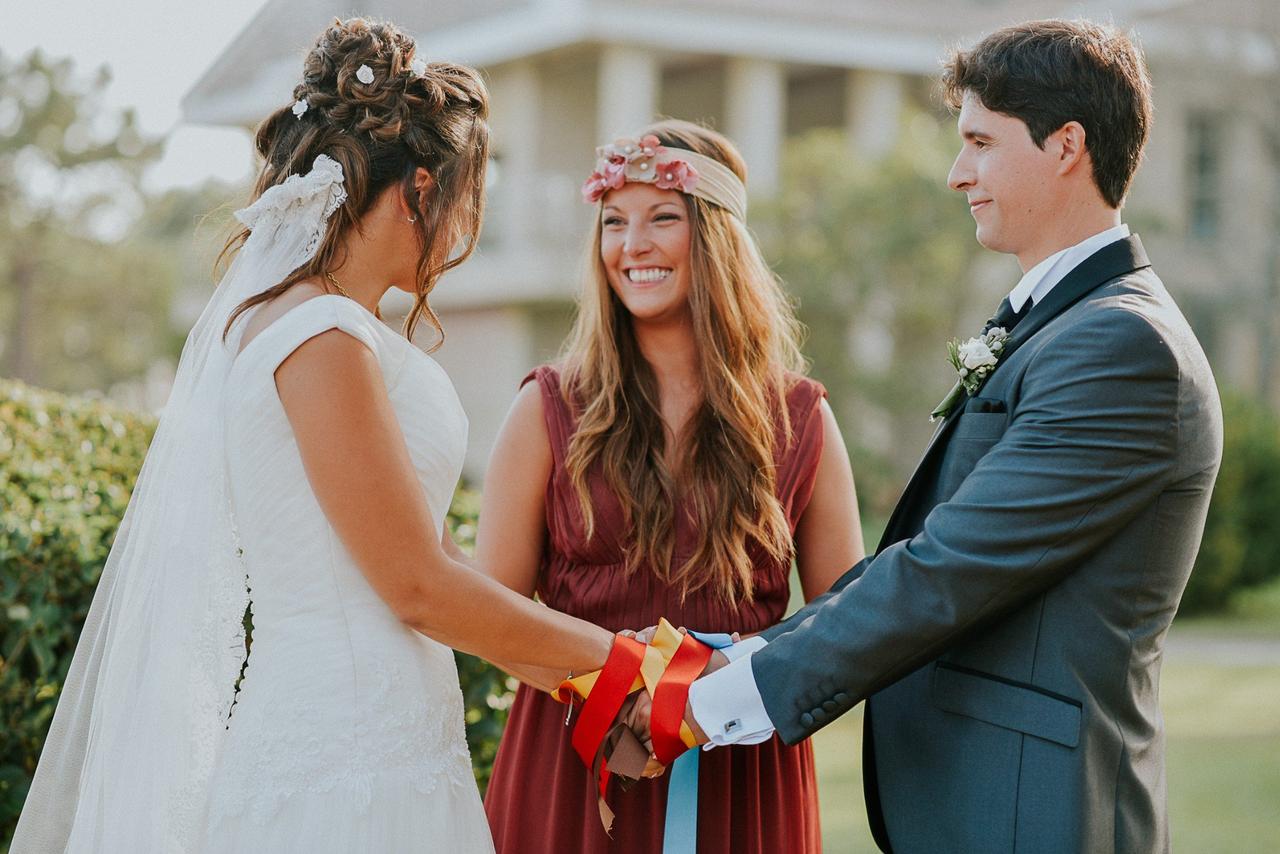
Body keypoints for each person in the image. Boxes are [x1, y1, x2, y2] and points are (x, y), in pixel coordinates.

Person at [12, 18, 617, 853]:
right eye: (473, 190)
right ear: (420, 191)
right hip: (343, 765)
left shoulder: (337, 330)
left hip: (400, 742)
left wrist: (592, 686)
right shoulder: (320, 334)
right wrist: (622, 663)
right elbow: (416, 587)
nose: (471, 221)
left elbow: (442, 574)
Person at [668, 19, 1222, 854]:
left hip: (1036, 813)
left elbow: (952, 566)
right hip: (989, 800)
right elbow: (930, 553)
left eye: (980, 142)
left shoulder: (1121, 347)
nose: (958, 173)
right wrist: (734, 658)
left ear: (1066, 145)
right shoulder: (1063, 327)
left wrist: (711, 702)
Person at [478, 119, 865, 853]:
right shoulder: (547, 408)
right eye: (613, 223)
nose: (633, 246)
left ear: (717, 240)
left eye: (662, 218)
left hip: (741, 775)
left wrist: (711, 692)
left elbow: (847, 627)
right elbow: (490, 614)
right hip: (572, 765)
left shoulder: (801, 419)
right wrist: (623, 682)